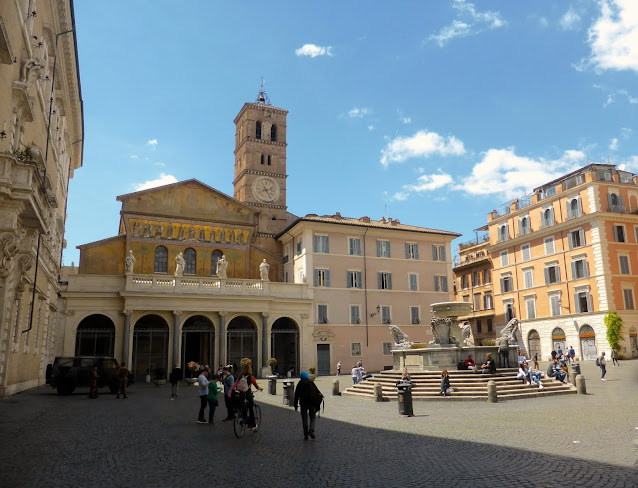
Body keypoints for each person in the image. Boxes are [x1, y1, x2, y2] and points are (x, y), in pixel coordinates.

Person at [229, 359, 263, 432]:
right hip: (247, 395)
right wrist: (259, 388)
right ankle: (253, 426)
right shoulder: (251, 377)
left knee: (242, 406)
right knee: (251, 410)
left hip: (240, 394)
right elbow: (256, 386)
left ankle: (242, 417)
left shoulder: (241, 376)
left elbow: (236, 383)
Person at [294, 371, 322, 440]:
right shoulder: (311, 383)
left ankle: (305, 434)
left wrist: (295, 405)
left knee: (304, 419)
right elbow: (317, 392)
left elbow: (296, 395)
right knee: (312, 417)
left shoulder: (299, 384)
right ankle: (311, 430)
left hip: (303, 404)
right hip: (311, 403)